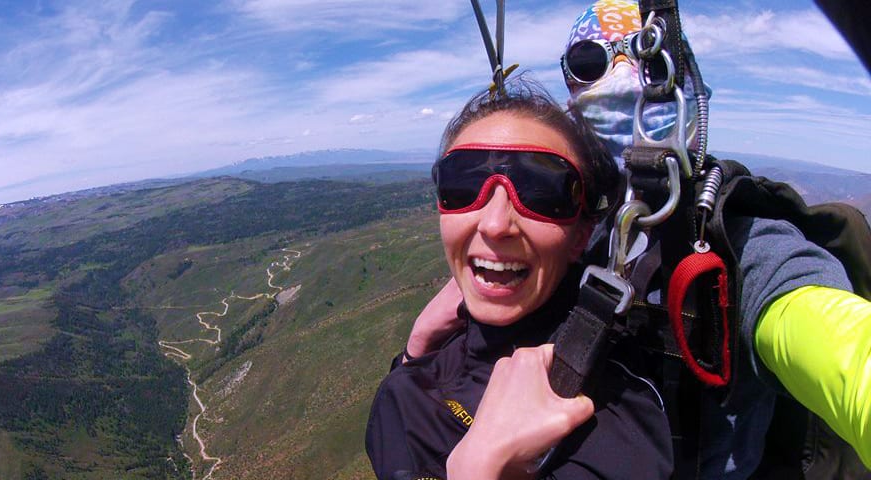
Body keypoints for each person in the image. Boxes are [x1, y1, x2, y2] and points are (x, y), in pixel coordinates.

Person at [402, 0, 871, 477]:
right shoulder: (587, 226)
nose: (629, 70)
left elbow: (845, 353)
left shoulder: (742, 244)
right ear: (573, 99)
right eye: (592, 62)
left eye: (648, 56)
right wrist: (418, 354)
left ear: (681, 74)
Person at [365, 78, 674, 479]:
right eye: (463, 185)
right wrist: (413, 353)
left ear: (581, 234)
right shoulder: (407, 385)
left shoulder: (610, 415)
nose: (495, 224)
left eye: (541, 191)